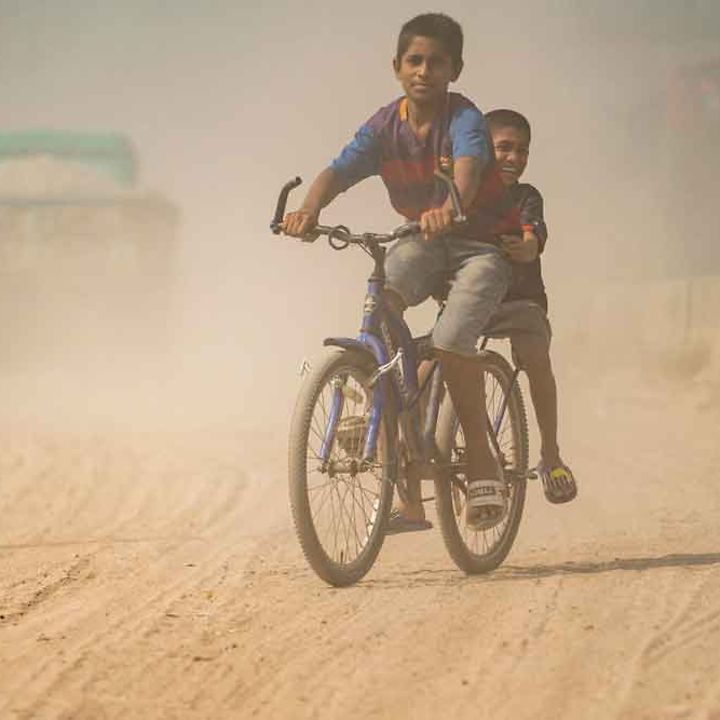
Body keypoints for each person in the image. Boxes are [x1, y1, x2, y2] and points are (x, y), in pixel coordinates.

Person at [282, 13, 522, 532]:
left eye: (437, 62)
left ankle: (481, 459)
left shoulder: (465, 119)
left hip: (480, 247)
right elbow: (339, 169)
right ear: (396, 67)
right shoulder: (383, 126)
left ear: (455, 69)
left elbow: (469, 167)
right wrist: (309, 210)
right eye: (414, 60)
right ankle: (400, 464)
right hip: (424, 240)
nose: (424, 71)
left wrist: (449, 204)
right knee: (382, 298)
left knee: (455, 339)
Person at [483, 108, 577, 503]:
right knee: (426, 364)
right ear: (480, 150)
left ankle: (550, 453)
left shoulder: (526, 197)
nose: (513, 158)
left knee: (537, 363)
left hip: (522, 304)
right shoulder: (461, 194)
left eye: (522, 151)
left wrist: (526, 245)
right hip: (472, 302)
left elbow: (531, 237)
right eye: (503, 148)